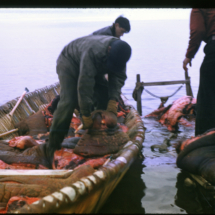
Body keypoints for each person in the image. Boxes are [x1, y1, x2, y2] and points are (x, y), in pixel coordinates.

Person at [47, 35, 132, 164]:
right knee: (68, 101)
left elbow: (117, 78)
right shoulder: (93, 52)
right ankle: (53, 143)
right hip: (69, 62)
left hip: (94, 66)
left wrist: (112, 100)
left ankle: (98, 137)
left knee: (104, 93)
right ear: (108, 50)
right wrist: (85, 114)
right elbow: (85, 84)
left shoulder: (120, 54)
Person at [183, 9, 215, 136]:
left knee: (206, 98)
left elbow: (198, 30)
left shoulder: (200, 5)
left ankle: (203, 140)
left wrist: (189, 55)